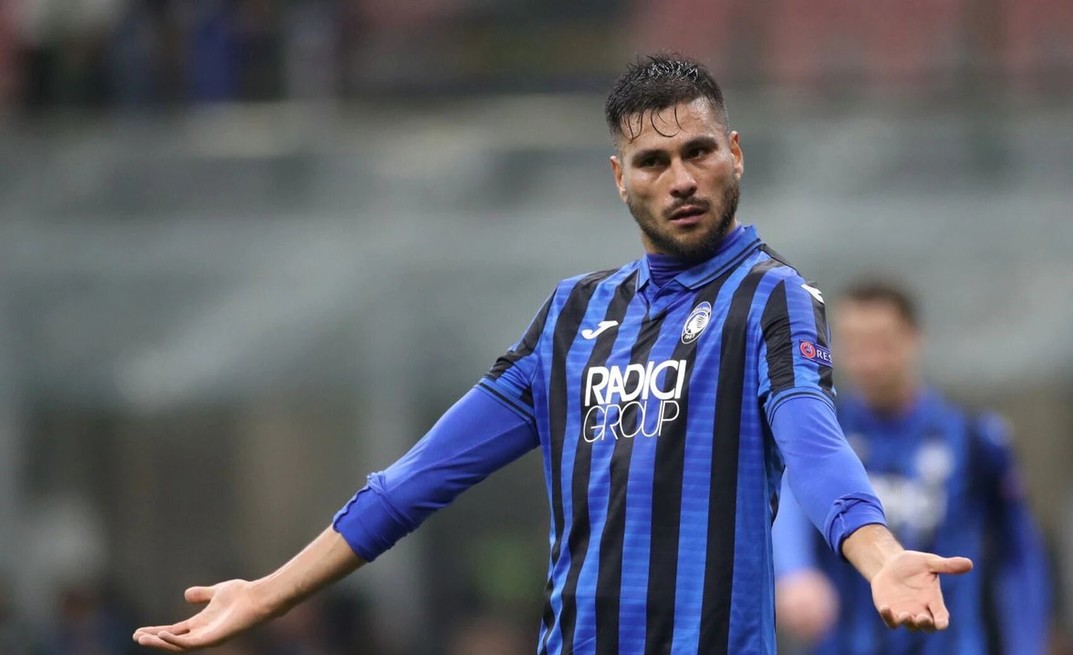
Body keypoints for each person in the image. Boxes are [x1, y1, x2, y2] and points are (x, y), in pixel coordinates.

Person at [133, 54, 973, 655]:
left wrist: (879, 553)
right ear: (619, 178)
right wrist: (268, 592)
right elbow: (415, 480)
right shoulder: (574, 314)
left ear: (735, 154)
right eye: (653, 161)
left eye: (699, 151)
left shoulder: (770, 297)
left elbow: (813, 442)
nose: (680, 178)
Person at [773, 279, 1050, 655]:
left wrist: (1025, 644)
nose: (869, 361)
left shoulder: (973, 439)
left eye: (881, 344)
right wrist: (796, 573)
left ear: (913, 339)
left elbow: (1020, 554)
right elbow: (789, 504)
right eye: (855, 345)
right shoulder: (821, 436)